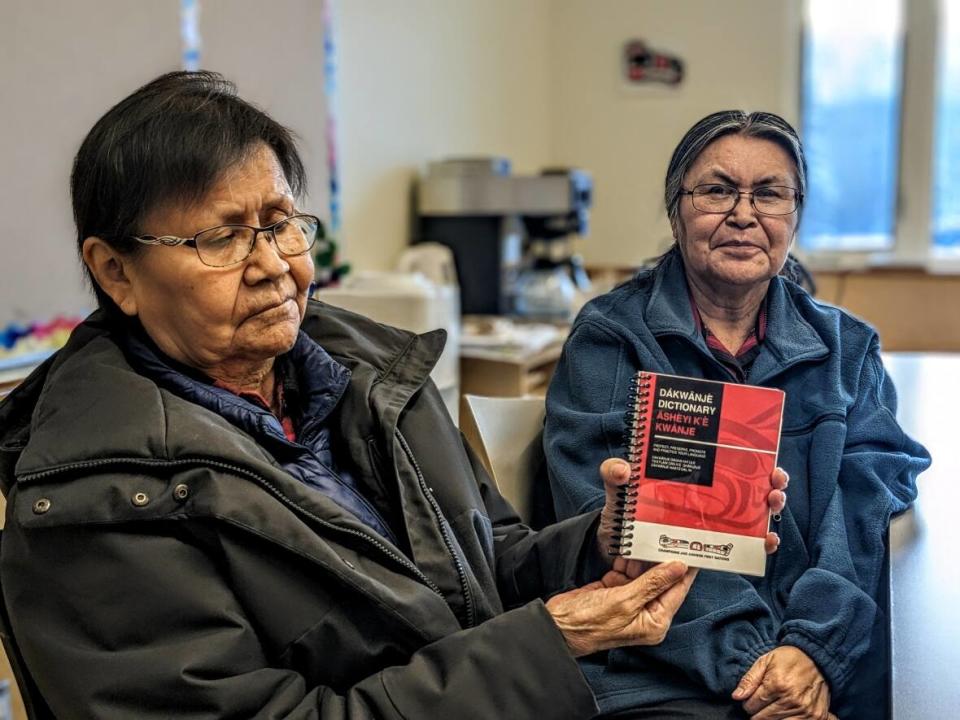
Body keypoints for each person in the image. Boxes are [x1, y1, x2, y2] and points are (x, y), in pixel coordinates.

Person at [0, 74, 789, 719]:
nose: (274, 264)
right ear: (114, 273)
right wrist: (551, 644)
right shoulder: (96, 499)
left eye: (281, 224)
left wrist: (596, 546)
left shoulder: (370, 377)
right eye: (221, 237)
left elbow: (490, 564)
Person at [544, 110, 931, 720]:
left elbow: (864, 506)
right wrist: (759, 669)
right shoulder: (611, 339)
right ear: (676, 209)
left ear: (794, 215)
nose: (744, 215)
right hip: (658, 665)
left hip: (819, 661)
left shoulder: (847, 350)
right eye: (718, 190)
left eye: (770, 194)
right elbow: (612, 528)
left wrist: (812, 649)